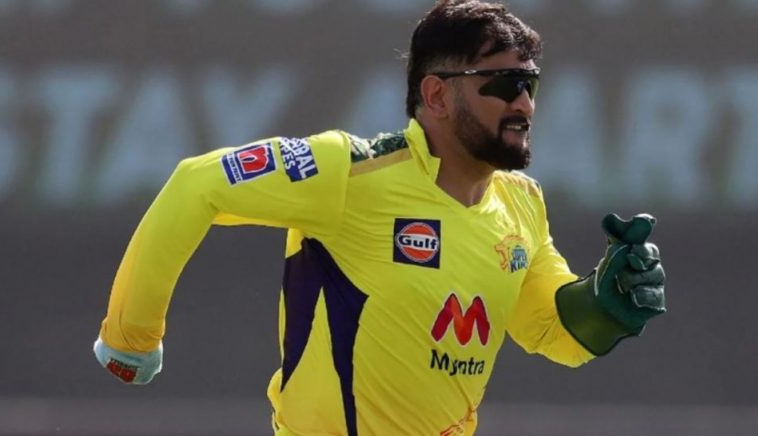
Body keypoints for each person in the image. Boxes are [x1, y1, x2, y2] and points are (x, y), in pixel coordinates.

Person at [93, 0, 666, 434]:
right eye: (505, 83)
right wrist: (130, 339)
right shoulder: (347, 171)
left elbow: (550, 329)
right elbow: (197, 183)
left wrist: (605, 304)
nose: (525, 104)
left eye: (531, 83)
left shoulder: (521, 204)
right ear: (436, 96)